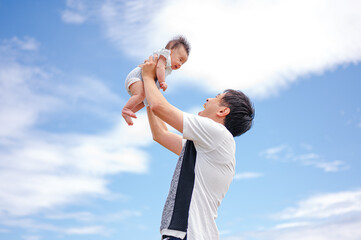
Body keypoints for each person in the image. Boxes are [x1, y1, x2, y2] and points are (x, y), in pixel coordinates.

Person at [139, 55, 255, 240]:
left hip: (189, 234)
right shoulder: (207, 145)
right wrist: (147, 92)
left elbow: (159, 107)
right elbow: (160, 134)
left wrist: (147, 77)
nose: (208, 99)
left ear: (223, 111)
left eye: (216, 98)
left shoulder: (217, 133)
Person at [122, 36, 190, 126]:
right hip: (136, 77)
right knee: (141, 95)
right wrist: (163, 82)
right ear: (170, 52)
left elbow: (155, 82)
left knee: (143, 102)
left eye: (182, 63)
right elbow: (159, 67)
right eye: (180, 59)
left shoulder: (168, 69)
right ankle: (126, 109)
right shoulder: (164, 55)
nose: (180, 64)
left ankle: (128, 111)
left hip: (142, 82)